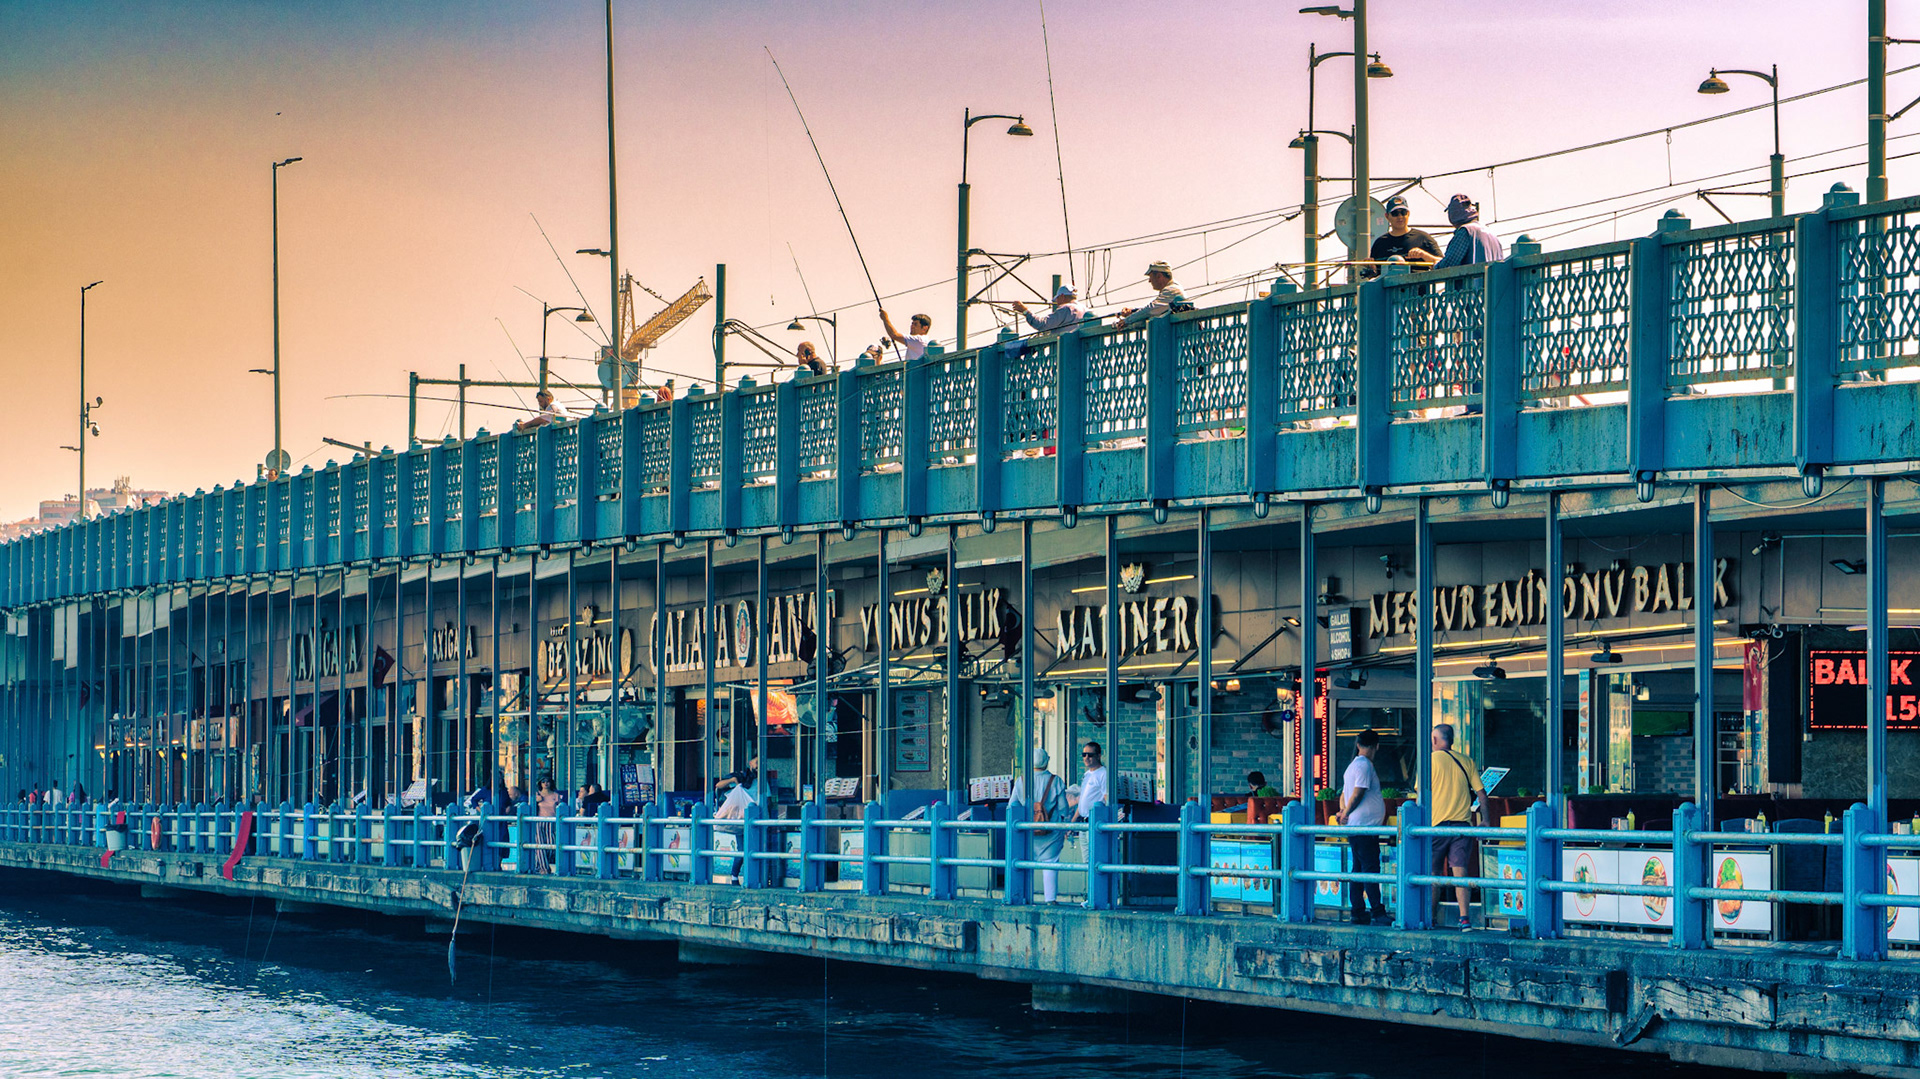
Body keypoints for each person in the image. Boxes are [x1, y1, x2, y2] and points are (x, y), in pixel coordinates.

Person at [1425, 722, 1487, 928]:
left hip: (1437, 825)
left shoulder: (1430, 761)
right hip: (1462, 826)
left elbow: (1421, 794)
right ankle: (1464, 918)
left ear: (1434, 740)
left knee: (1433, 873)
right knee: (1460, 871)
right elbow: (1481, 794)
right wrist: (1485, 820)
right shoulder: (1466, 760)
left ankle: (1431, 918)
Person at [1337, 729, 1390, 925]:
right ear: (1377, 746)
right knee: (1369, 868)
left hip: (1357, 826)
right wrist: (1346, 813)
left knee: (1358, 869)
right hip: (1364, 827)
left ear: (1358, 744)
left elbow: (1344, 794)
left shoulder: (1352, 766)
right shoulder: (1365, 766)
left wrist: (1343, 811)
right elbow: (1358, 793)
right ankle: (1377, 911)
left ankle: (1358, 911)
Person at [1010, 748, 1070, 903]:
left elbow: (1012, 806)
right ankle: (1050, 899)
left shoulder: (1021, 780)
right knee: (1050, 862)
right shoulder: (1055, 781)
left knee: (1024, 862)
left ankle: (1022, 897)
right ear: (1047, 761)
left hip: (1027, 830)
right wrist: (1065, 822)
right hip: (1050, 831)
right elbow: (1063, 808)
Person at [1364, 194, 1442, 277]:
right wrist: (1371, 267)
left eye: (1403, 212)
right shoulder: (1380, 243)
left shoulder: (1423, 238)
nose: (1400, 217)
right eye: (1395, 213)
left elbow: (1442, 263)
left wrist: (1423, 255)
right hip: (1388, 289)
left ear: (1408, 214)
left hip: (1417, 288)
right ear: (1387, 216)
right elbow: (1374, 275)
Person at [1430, 193, 1505, 269]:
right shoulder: (1491, 234)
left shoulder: (1465, 231)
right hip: (1493, 280)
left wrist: (1436, 266)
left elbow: (1448, 265)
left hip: (1474, 280)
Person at [1115, 261, 1191, 327]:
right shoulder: (1172, 288)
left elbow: (1151, 310)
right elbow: (1158, 308)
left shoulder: (1171, 290)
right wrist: (1132, 312)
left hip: (1182, 338)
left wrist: (1127, 320)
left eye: (1151, 277)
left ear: (1159, 276)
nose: (1149, 281)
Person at [1013, 285, 1090, 335]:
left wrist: (1025, 311)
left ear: (1062, 296)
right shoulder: (1086, 310)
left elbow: (1043, 324)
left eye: (1057, 299)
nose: (1057, 303)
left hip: (1065, 352)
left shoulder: (1066, 309)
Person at [1071, 741, 1109, 820]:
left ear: (1098, 756)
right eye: (1084, 755)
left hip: (1095, 820)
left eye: (1090, 755)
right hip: (1083, 820)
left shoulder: (1103, 774)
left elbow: (1107, 799)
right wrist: (1073, 820)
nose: (1086, 758)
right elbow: (1084, 799)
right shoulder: (1087, 774)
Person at [532, 778, 562, 874]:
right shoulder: (537, 794)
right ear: (540, 783)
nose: (545, 783)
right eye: (543, 782)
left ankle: (538, 864)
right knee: (540, 844)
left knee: (551, 843)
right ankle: (544, 868)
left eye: (547, 781)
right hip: (539, 821)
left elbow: (560, 808)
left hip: (552, 821)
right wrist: (536, 801)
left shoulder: (556, 796)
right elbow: (530, 806)